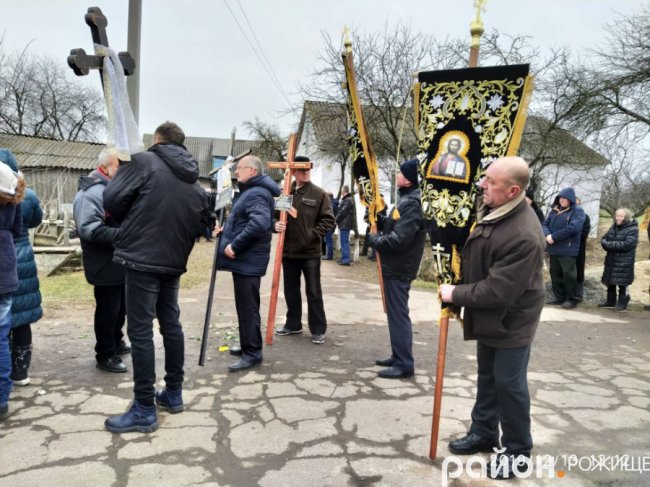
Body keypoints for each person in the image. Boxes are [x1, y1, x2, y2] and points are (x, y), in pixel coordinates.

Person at [440, 156, 545, 480]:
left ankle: (517, 453)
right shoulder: (497, 209)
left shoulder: (524, 235)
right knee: (488, 377)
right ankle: (484, 432)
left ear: (513, 190)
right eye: (485, 178)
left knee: (509, 385)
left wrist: (455, 295)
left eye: (491, 182)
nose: (482, 185)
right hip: (491, 316)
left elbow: (499, 291)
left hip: (511, 319)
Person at [102, 121, 209, 433]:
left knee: (140, 331)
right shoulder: (194, 179)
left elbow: (112, 198)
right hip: (173, 260)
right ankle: (173, 394)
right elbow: (203, 217)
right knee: (171, 324)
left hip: (142, 258)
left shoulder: (144, 161)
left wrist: (128, 220)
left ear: (157, 140)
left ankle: (144, 407)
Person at [215, 155, 280, 372]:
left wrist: (235, 246)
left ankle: (252, 353)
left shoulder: (257, 193)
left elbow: (259, 224)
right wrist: (227, 232)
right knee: (245, 306)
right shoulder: (252, 192)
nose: (236, 172)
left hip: (247, 259)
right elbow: (245, 221)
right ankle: (247, 345)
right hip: (246, 261)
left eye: (239, 168)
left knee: (248, 307)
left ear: (252, 171)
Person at [367, 160, 425, 378]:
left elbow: (399, 239)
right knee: (394, 314)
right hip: (397, 265)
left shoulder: (412, 202)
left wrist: (374, 240)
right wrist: (380, 221)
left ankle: (404, 364)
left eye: (400, 172)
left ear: (409, 178)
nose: (396, 175)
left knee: (399, 314)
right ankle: (398, 355)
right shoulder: (406, 198)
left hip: (400, 266)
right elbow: (395, 226)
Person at [73, 148, 129, 374]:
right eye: (118, 166)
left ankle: (116, 340)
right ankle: (105, 354)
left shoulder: (112, 189)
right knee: (108, 309)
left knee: (121, 306)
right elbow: (89, 229)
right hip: (103, 261)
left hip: (118, 259)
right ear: (105, 167)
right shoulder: (91, 193)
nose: (122, 171)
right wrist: (124, 234)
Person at [274, 156, 335, 345]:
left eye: (308, 169)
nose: (306, 173)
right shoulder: (286, 192)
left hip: (310, 253)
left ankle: (318, 329)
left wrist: (312, 234)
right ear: (293, 172)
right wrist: (275, 225)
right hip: (289, 251)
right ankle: (293, 324)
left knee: (314, 292)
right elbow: (276, 216)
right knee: (291, 291)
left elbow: (329, 220)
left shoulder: (319, 194)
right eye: (302, 170)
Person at [0, 149, 43, 386]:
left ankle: (3, 373)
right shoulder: (28, 196)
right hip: (22, 256)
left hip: (5, 259)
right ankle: (21, 372)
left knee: (2, 320)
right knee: (22, 318)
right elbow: (36, 220)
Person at [0, 161, 25, 420]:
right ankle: (1, 399)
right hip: (6, 267)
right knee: (1, 338)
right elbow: (18, 230)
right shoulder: (12, 190)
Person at [542, 187, 586, 309]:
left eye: (564, 198)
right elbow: (545, 224)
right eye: (560, 198)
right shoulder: (554, 211)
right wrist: (547, 235)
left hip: (568, 248)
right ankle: (559, 297)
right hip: (554, 248)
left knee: (569, 275)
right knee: (555, 273)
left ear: (570, 200)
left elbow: (573, 228)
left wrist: (554, 237)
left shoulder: (577, 212)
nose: (562, 200)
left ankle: (572, 299)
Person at [598, 208, 639, 311]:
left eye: (621, 216)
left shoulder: (633, 229)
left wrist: (610, 245)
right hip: (611, 260)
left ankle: (622, 304)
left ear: (626, 217)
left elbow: (627, 245)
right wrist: (608, 244)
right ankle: (610, 301)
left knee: (623, 284)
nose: (618, 218)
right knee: (610, 281)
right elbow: (604, 240)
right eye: (617, 215)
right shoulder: (614, 227)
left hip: (624, 262)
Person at [575, 197, 591, 302]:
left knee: (579, 271)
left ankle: (578, 295)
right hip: (566, 249)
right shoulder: (566, 216)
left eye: (578, 204)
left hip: (579, 248)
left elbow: (584, 233)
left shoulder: (585, 217)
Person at [335, 185, 355, 266]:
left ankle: (346, 260)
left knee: (344, 242)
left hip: (345, 224)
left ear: (344, 192)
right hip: (344, 223)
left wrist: (336, 220)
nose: (341, 193)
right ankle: (344, 258)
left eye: (342, 192)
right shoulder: (348, 200)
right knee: (343, 241)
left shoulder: (348, 200)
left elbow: (343, 212)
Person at [323, 192, 338, 260]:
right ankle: (329, 254)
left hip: (328, 224)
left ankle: (329, 256)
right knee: (328, 239)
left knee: (328, 240)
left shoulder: (330, 204)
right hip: (332, 224)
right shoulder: (335, 203)